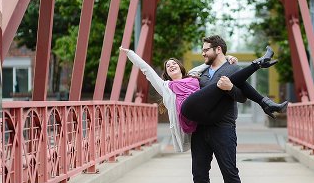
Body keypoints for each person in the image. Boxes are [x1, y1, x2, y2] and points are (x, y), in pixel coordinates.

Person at [121, 45, 286, 153]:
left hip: (207, 111)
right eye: (167, 67)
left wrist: (228, 59)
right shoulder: (166, 87)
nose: (171, 65)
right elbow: (146, 70)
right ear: (167, 73)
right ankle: (258, 67)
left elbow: (211, 63)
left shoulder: (193, 75)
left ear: (180, 67)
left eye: (173, 63)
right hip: (190, 111)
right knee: (221, 84)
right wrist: (130, 53)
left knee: (228, 79)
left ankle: (265, 102)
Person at [182, 35, 259, 183]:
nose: (202, 53)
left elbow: (242, 97)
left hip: (223, 128)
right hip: (200, 128)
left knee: (229, 170)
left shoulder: (232, 70)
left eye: (206, 49)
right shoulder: (201, 73)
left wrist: (231, 87)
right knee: (199, 171)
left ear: (218, 49)